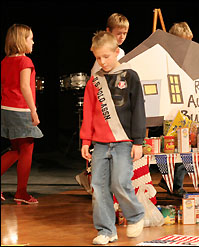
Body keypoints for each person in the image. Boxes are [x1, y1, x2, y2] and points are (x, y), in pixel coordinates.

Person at [80, 31, 145, 244]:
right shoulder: (94, 81)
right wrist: (86, 140)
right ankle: (106, 230)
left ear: (117, 52)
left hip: (123, 142)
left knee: (119, 182)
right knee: (97, 187)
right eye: (98, 58)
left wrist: (138, 141)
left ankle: (135, 215)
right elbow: (88, 111)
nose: (102, 61)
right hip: (99, 143)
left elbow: (138, 110)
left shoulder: (130, 76)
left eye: (106, 56)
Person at [76, 13, 129, 193]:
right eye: (118, 33)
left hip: (117, 121)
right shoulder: (102, 62)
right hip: (105, 117)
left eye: (125, 33)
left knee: (118, 178)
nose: (121, 37)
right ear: (108, 32)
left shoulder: (121, 54)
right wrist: (86, 138)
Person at [1, 24, 43, 204]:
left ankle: (21, 192)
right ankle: (21, 193)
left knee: (16, 150)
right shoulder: (25, 61)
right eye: (30, 38)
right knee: (26, 150)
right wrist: (33, 111)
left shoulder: (5, 61)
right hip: (20, 110)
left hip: (7, 109)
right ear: (21, 41)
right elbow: (25, 86)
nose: (33, 42)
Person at [157, 21, 193, 197]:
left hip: (185, 110)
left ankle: (173, 182)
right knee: (169, 148)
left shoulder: (190, 60)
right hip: (167, 111)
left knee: (186, 148)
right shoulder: (163, 59)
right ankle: (169, 180)